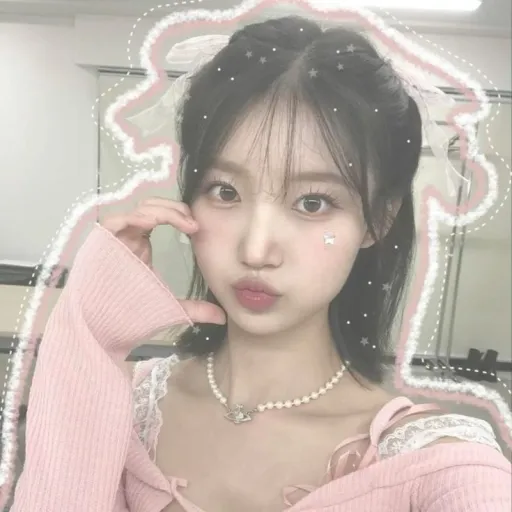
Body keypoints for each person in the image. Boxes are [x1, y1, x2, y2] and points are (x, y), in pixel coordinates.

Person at [11, 15, 511, 512]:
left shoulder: (435, 463)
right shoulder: (127, 402)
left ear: (377, 220)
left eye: (312, 202)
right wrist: (86, 334)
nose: (255, 250)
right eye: (225, 191)